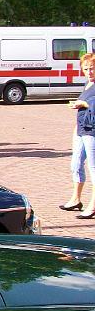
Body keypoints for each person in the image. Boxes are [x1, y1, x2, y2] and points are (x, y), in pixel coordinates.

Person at [61, 53, 95, 218]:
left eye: (92, 69)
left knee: (93, 168)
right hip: (81, 130)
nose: (90, 72)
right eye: (86, 69)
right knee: (76, 164)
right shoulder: (87, 84)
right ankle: (76, 199)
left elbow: (91, 106)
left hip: (92, 131)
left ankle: (93, 205)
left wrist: (84, 104)